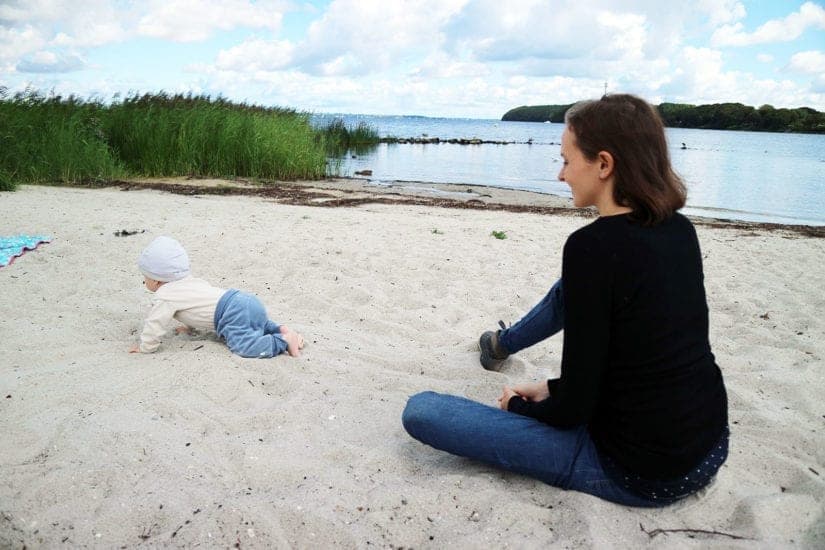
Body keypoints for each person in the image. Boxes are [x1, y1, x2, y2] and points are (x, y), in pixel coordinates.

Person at [402, 94, 729, 507]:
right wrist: (549, 387)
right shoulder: (679, 230)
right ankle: (502, 345)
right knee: (573, 287)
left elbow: (572, 409)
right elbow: (644, 355)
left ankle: (502, 346)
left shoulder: (589, 248)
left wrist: (519, 406)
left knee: (422, 410)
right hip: (708, 446)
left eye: (567, 160)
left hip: (638, 473)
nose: (561, 175)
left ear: (604, 165)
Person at [129, 235, 304, 358]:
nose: (145, 280)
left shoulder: (165, 296)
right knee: (255, 323)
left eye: (145, 277)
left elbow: (155, 323)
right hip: (241, 299)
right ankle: (279, 329)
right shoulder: (191, 281)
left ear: (155, 280)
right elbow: (196, 304)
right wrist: (189, 328)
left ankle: (282, 340)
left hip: (230, 312)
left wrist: (146, 347)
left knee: (244, 346)